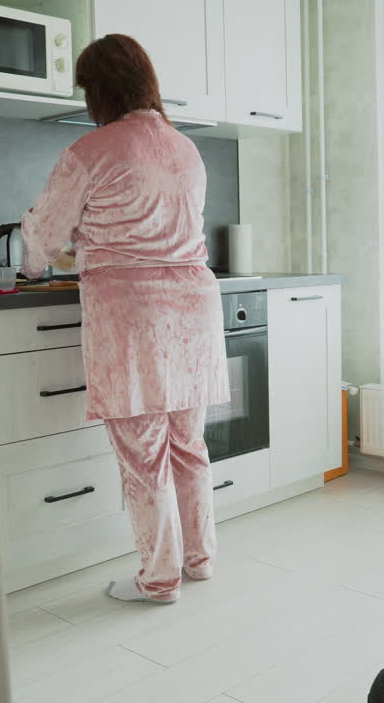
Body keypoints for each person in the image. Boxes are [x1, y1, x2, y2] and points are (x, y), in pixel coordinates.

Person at [19, 34, 229, 604]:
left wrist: (34, 257)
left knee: (143, 457)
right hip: (192, 312)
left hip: (133, 317)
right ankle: (200, 560)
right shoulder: (186, 148)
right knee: (189, 446)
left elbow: (42, 238)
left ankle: (158, 580)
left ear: (100, 90)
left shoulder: (91, 151)